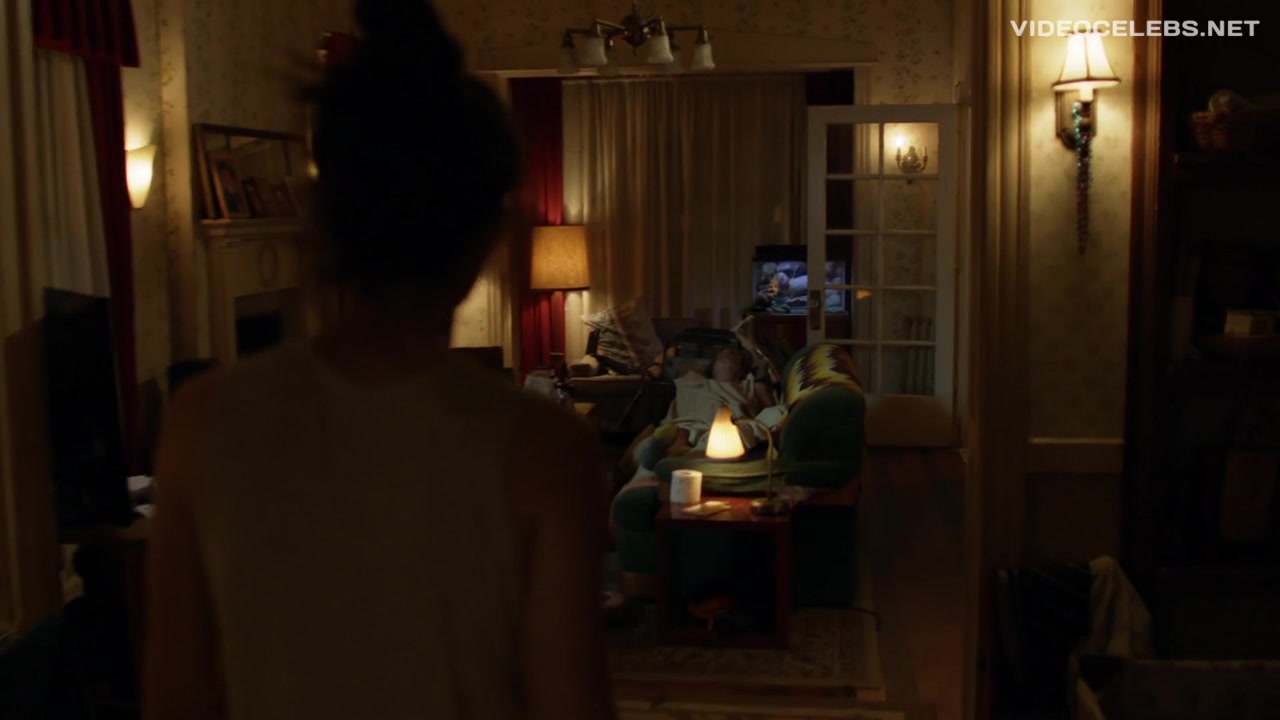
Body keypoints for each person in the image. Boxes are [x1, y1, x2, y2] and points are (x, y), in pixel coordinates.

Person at [142, 1, 615, 719]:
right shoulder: (548, 450)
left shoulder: (200, 421)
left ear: (319, 213)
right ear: (492, 237)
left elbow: (177, 700)